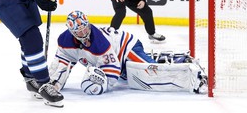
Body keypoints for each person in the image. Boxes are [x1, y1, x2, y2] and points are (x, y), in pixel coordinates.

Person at [49, 10, 208, 95]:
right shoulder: (65, 41)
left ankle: (186, 67)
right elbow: (62, 64)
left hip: (126, 47)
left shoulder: (99, 42)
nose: (84, 33)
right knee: (135, 76)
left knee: (151, 72)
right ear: (71, 31)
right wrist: (54, 84)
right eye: (79, 30)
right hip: (116, 57)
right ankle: (170, 58)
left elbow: (113, 68)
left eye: (85, 28)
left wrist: (102, 84)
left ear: (88, 24)